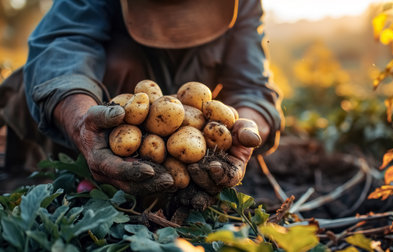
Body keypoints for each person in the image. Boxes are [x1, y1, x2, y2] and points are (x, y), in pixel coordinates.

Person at [0, 0, 282, 204]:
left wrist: (244, 131)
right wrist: (81, 123)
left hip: (190, 149)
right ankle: (58, 172)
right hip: (86, 133)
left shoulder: (243, 3)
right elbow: (62, 46)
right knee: (113, 65)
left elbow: (252, 87)